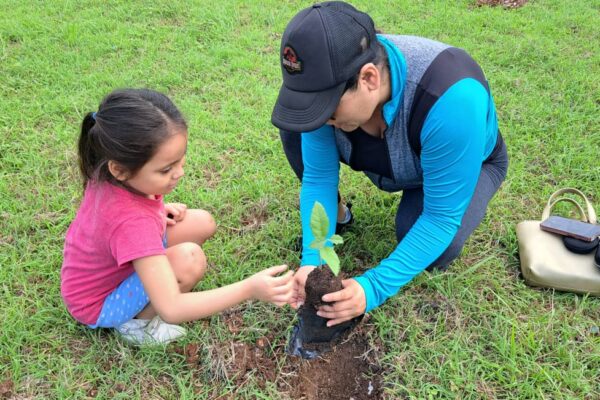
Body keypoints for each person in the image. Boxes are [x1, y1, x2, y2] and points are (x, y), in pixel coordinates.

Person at [271, 2, 508, 326]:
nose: (321, 118)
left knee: (433, 243)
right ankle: (339, 214)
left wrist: (372, 289)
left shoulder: (451, 99)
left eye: (327, 109)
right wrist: (314, 257)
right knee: (297, 130)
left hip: (462, 163)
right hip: (389, 155)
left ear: (368, 78)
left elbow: (440, 219)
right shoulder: (328, 88)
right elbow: (319, 178)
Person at [61, 89, 294, 345]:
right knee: (189, 260)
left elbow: (114, 223)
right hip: (101, 303)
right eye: (166, 169)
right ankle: (137, 324)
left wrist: (160, 210)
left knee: (202, 222)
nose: (179, 173)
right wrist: (249, 289)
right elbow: (172, 307)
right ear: (120, 169)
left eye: (180, 161)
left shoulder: (111, 177)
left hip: (116, 262)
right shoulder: (131, 223)